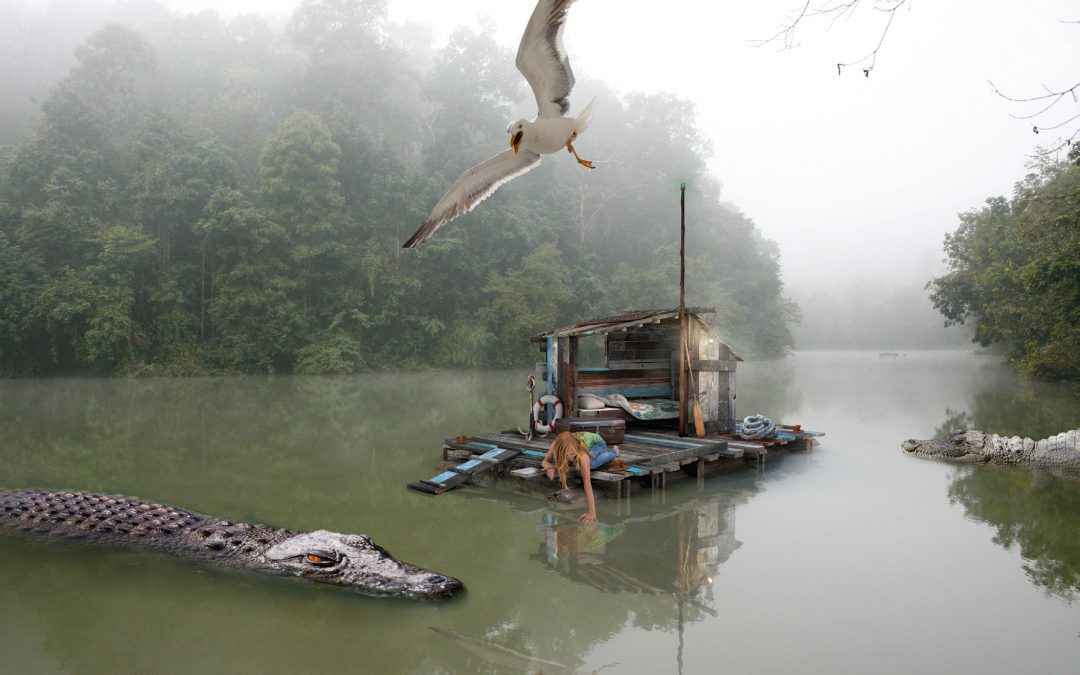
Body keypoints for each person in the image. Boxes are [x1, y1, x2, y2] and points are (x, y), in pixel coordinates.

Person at [541, 431, 620, 523]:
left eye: (574, 452)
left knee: (591, 464)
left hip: (597, 443)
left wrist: (592, 512)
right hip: (583, 442)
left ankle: (614, 452)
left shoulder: (581, 454)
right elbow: (545, 461)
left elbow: (587, 483)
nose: (574, 455)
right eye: (570, 454)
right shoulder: (556, 444)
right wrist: (549, 468)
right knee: (578, 463)